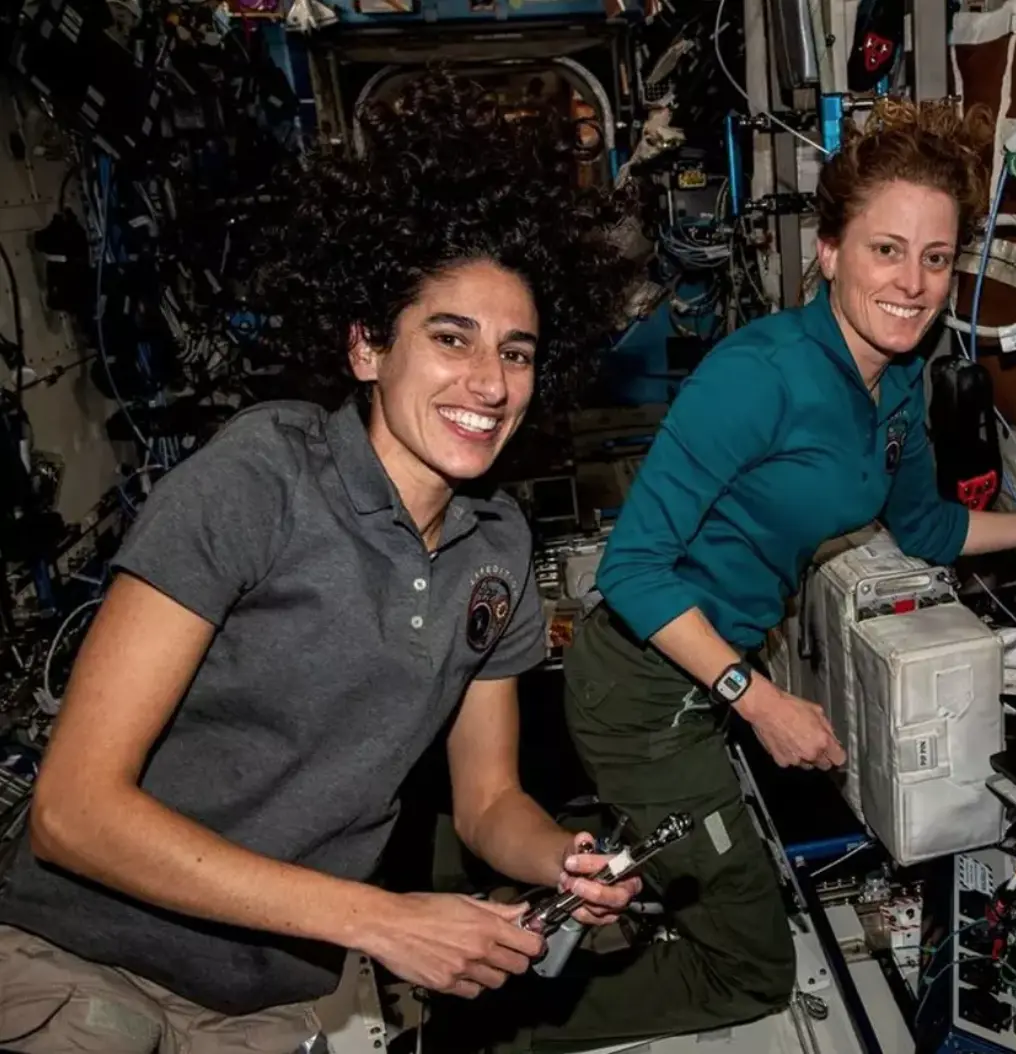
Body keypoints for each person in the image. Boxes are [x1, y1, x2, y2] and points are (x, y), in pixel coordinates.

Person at [0, 74, 642, 1053]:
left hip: (264, 1006)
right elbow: (72, 812)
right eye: (450, 337)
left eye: (517, 353)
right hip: (82, 959)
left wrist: (565, 860)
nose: (487, 381)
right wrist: (380, 918)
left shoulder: (500, 547)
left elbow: (487, 803)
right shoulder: (264, 475)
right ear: (365, 348)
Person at [499, 98, 1016, 1052]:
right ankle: (496, 1028)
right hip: (636, 690)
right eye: (887, 250)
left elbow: (923, 525)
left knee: (726, 888)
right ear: (830, 251)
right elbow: (631, 569)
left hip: (701, 686)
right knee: (754, 963)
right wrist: (759, 701)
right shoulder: (758, 374)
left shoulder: (902, 376)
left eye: (935, 256)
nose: (914, 283)